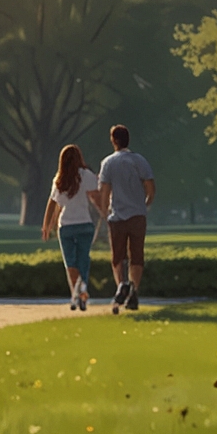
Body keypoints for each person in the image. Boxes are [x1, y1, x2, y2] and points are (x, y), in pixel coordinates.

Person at [97, 124, 154, 313]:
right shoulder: (140, 160)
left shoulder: (108, 163)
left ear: (113, 141)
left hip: (118, 215)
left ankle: (121, 284)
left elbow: (104, 190)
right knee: (137, 255)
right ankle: (134, 290)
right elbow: (150, 187)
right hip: (137, 214)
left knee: (118, 256)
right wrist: (145, 204)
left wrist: (104, 211)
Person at [39, 144, 101, 311]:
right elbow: (97, 195)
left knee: (70, 263)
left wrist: (46, 226)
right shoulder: (86, 175)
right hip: (85, 225)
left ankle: (76, 293)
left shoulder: (60, 179)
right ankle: (82, 290)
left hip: (66, 226)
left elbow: (52, 204)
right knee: (83, 261)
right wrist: (105, 213)